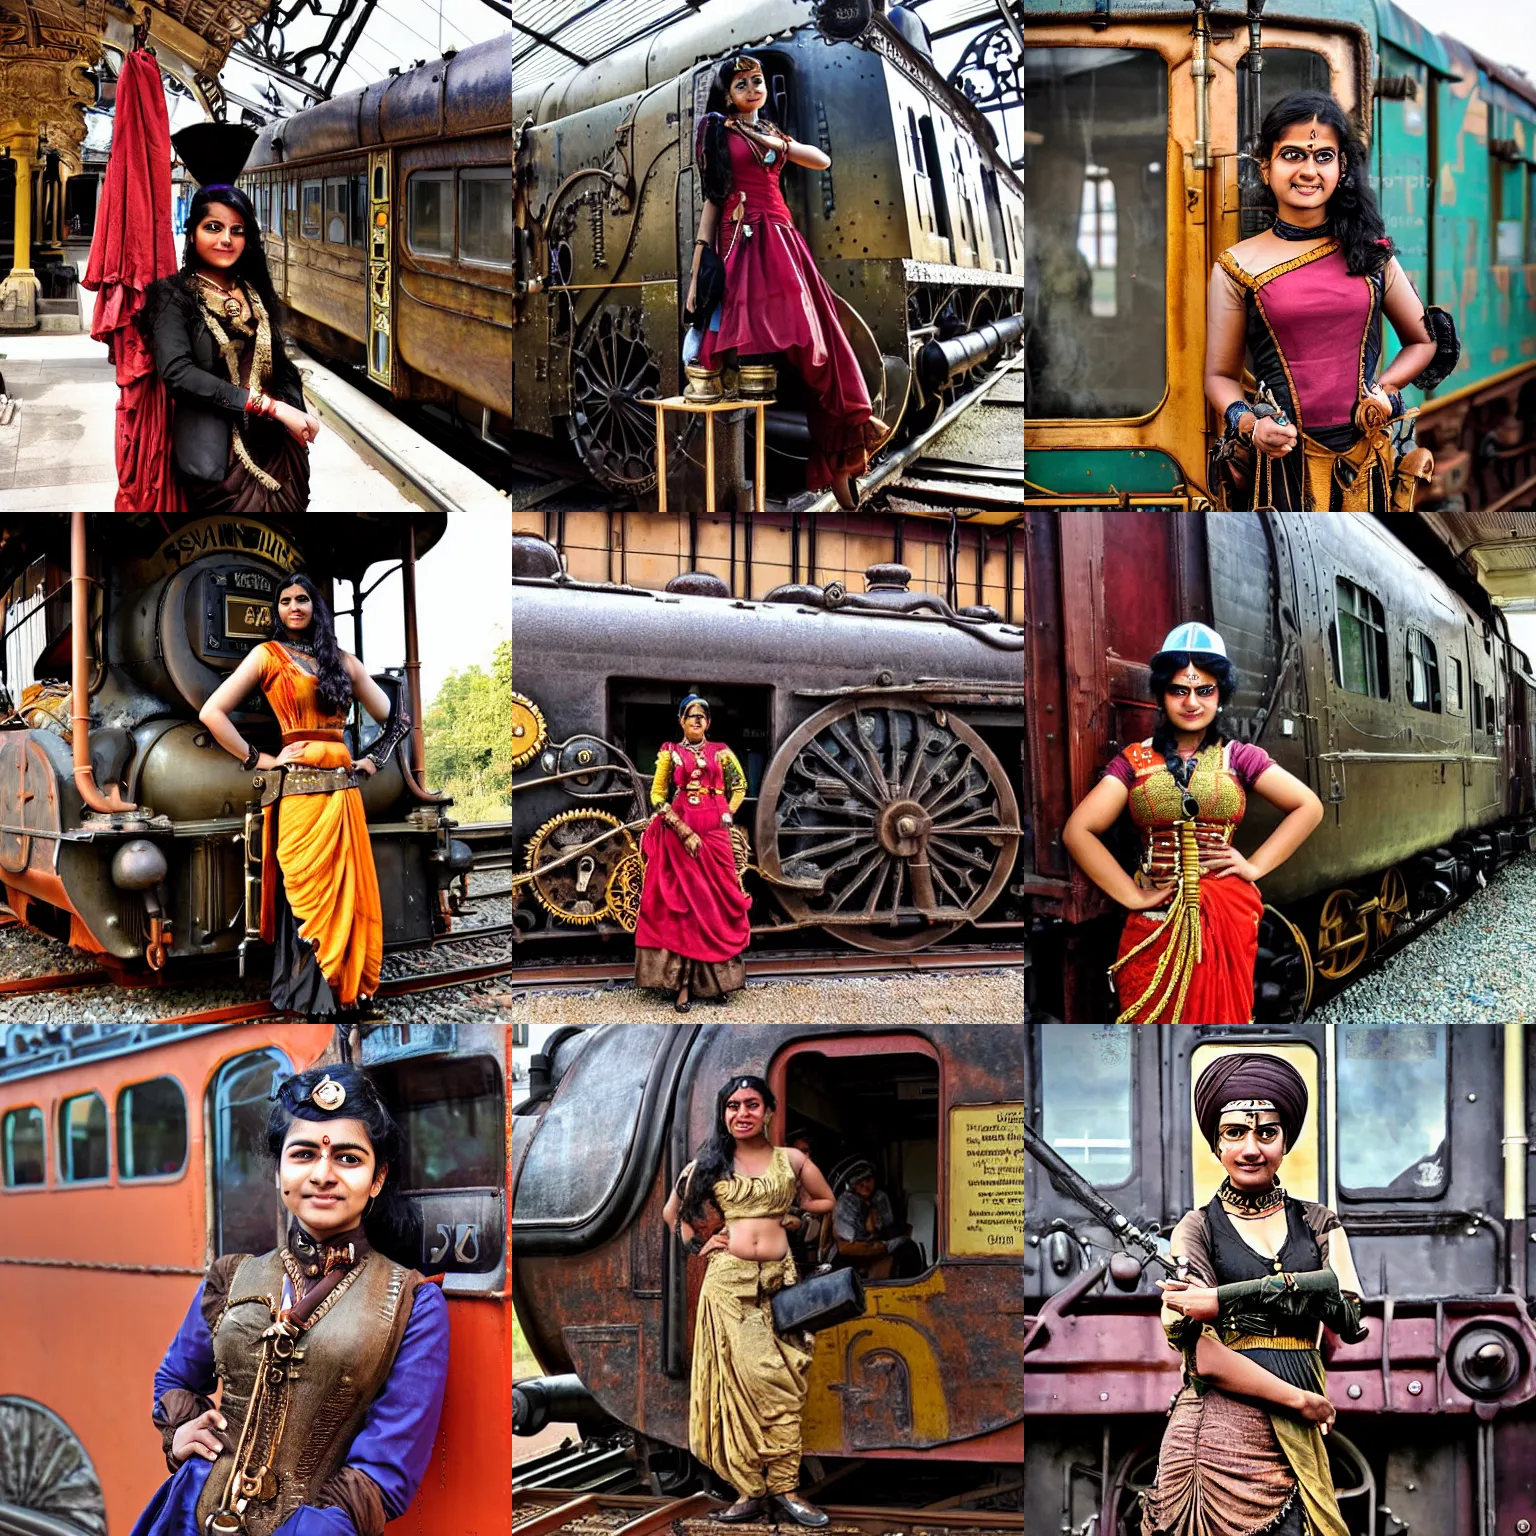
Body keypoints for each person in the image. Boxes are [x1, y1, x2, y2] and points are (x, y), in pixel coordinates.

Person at [130, 1063, 448, 1536]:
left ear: (377, 1178)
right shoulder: (231, 1277)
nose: (323, 1174)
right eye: (302, 1155)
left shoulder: (413, 1303)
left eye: (348, 1158)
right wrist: (180, 1435)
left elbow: (386, 1472)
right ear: (279, 1166)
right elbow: (175, 1376)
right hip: (187, 1518)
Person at [1143, 1053, 1364, 1536]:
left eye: (1266, 1133)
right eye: (1234, 1133)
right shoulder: (1195, 1229)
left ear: (1286, 1140)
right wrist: (1301, 1402)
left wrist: (1227, 1298)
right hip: (1218, 1445)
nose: (1250, 1148)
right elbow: (1205, 1357)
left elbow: (1348, 1312)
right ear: (1216, 1142)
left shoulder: (1318, 1222)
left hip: (1296, 1435)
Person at [1204, 91, 1457, 511]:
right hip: (1282, 468)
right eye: (1292, 155)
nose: (1308, 170)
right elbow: (1219, 376)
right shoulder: (1236, 266)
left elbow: (1424, 341)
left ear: (1342, 168)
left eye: (1323, 156)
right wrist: (1250, 425)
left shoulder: (1371, 254)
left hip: (1367, 462)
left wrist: (1387, 393)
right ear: (1266, 167)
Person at [1062, 623, 1324, 1024]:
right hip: (1155, 916)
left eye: (1204, 690)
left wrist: (1254, 867)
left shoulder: (1240, 757)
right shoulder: (1135, 760)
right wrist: (1131, 896)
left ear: (1220, 696)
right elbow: (1078, 832)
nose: (1191, 702)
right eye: (1178, 691)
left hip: (1226, 911)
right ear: (1162, 696)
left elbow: (1308, 806)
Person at [198, 574, 411, 1018]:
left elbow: (398, 721)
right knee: (308, 893)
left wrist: (370, 760)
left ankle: (350, 995)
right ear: (277, 610)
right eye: (285, 601)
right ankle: (308, 1000)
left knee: (350, 897)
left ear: (316, 607)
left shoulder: (342, 663)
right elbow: (211, 712)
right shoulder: (266, 656)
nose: (293, 607)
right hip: (298, 796)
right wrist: (260, 758)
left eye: (302, 599)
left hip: (345, 797)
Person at [686, 54, 885, 510]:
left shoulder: (772, 133)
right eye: (741, 85)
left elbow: (821, 159)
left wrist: (763, 137)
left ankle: (840, 458)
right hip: (739, 239)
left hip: (781, 239)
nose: (752, 89)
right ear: (728, 94)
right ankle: (736, 480)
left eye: (757, 82)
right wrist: (698, 269)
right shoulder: (716, 131)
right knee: (740, 355)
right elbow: (713, 201)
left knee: (819, 344)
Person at [661, 1075, 837, 1527]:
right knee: (746, 1389)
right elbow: (672, 1216)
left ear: (769, 1111)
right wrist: (700, 1244)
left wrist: (792, 1212)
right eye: (734, 1105)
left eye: (752, 1104)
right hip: (728, 1289)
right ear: (724, 1114)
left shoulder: (791, 1160)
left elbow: (826, 1200)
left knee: (783, 1385)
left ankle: (784, 1488)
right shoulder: (711, 1163)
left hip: (780, 1284)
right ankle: (752, 1490)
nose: (743, 1113)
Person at [140, 183, 322, 511]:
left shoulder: (253, 292)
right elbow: (178, 375)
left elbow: (282, 366)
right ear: (192, 234)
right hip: (218, 460)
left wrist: (293, 410)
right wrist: (268, 406)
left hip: (277, 450)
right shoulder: (172, 296)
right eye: (214, 227)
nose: (226, 239)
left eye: (237, 231)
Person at [635, 694, 753, 1012]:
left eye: (702, 716)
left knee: (717, 905)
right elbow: (658, 795)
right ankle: (683, 985)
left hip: (715, 832)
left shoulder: (722, 752)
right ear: (681, 722)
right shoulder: (669, 753)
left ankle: (718, 984)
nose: (697, 720)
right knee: (686, 909)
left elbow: (740, 786)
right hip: (680, 830)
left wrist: (727, 814)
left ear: (708, 723)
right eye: (691, 716)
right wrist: (682, 830)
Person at [829, 1160, 922, 1280]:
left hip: (879, 1247)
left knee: (907, 1247)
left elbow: (889, 1229)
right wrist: (876, 1249)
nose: (864, 1185)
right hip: (851, 1256)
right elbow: (845, 1247)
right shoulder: (846, 1203)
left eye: (868, 1180)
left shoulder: (880, 1198)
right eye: (859, 1182)